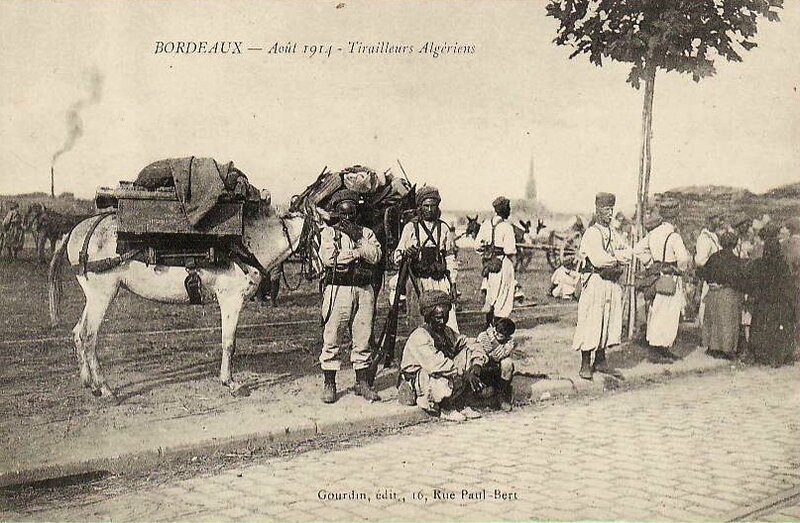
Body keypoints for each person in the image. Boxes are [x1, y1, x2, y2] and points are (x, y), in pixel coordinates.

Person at [317, 190, 382, 404]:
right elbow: (329, 259)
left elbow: (375, 256)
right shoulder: (329, 233)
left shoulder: (367, 233)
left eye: (351, 213)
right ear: (337, 213)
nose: (347, 218)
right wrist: (356, 253)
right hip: (339, 289)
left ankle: (361, 382)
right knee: (332, 335)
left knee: (363, 336)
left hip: (363, 290)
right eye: (343, 214)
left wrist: (358, 238)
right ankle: (330, 383)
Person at [397, 290, 487, 422]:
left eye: (445, 317)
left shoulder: (447, 331)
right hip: (421, 376)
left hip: (446, 370)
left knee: (466, 352)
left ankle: (460, 403)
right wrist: (464, 373)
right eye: (438, 317)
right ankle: (445, 408)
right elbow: (436, 364)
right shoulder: (419, 336)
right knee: (439, 377)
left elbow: (470, 342)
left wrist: (477, 364)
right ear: (428, 316)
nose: (442, 321)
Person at [572, 192, 631, 380]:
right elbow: (598, 260)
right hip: (595, 281)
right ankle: (584, 363)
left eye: (612, 209)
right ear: (598, 211)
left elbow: (628, 252)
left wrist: (617, 258)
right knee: (591, 320)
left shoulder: (614, 233)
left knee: (607, 320)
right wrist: (617, 258)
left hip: (610, 282)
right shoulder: (592, 233)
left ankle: (600, 360)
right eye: (606, 209)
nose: (610, 213)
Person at [393, 186, 459, 332]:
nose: (429, 209)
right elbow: (397, 257)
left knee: (447, 321)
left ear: (437, 207)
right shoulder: (411, 228)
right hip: (418, 282)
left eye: (433, 206)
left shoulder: (444, 228)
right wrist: (406, 253)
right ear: (420, 207)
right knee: (418, 324)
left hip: (439, 282)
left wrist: (453, 283)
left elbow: (449, 257)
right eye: (426, 206)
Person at [635, 198, 691, 361]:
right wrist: (681, 268)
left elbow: (638, 250)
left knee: (657, 311)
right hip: (671, 279)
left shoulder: (654, 233)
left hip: (657, 277)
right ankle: (657, 350)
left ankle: (660, 349)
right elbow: (682, 260)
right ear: (675, 217)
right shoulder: (674, 236)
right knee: (668, 314)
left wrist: (650, 263)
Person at [742, 224, 797, 366]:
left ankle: (758, 354)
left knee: (760, 326)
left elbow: (751, 281)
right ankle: (776, 356)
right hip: (778, 301)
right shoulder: (782, 264)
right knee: (777, 328)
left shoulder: (760, 264)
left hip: (763, 301)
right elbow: (787, 283)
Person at [698, 231, 744, 360]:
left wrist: (712, 283)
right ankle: (728, 349)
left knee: (713, 321)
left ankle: (713, 347)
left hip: (712, 293)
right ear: (734, 245)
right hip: (728, 294)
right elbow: (739, 279)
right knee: (728, 322)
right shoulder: (735, 260)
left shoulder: (714, 257)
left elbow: (703, 272)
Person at [476, 196, 517, 327]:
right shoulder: (507, 227)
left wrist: (487, 251)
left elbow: (477, 246)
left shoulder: (485, 225)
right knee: (503, 295)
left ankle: (488, 325)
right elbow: (510, 249)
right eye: (508, 208)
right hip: (503, 263)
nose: (509, 211)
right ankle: (499, 326)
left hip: (489, 263)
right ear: (504, 210)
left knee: (490, 292)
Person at [475, 317, 517, 412]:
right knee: (486, 393)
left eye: (500, 335)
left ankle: (500, 395)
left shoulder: (509, 342)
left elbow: (503, 354)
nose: (496, 334)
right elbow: (478, 354)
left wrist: (495, 341)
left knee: (508, 363)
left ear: (507, 336)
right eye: (495, 332)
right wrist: (490, 358)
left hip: (497, 372)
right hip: (484, 369)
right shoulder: (484, 336)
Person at [694, 214, 723, 327]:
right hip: (708, 275)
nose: (720, 221)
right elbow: (700, 261)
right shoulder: (705, 238)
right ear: (710, 220)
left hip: (715, 275)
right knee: (706, 305)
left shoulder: (714, 237)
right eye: (717, 218)